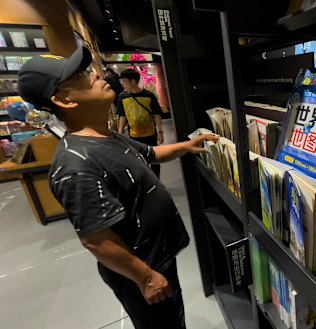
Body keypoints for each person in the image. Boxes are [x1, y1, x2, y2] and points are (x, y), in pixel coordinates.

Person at [17, 47, 218, 329]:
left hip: (157, 259)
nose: (97, 75)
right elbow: (95, 239)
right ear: (64, 99)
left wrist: (186, 146)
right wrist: (145, 278)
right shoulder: (74, 165)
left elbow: (151, 153)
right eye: (81, 76)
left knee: (174, 318)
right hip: (141, 271)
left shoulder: (107, 137)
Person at [117, 68, 164, 177]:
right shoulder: (123, 96)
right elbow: (122, 116)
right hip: (134, 136)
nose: (122, 84)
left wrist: (160, 132)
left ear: (133, 81)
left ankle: (157, 180)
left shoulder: (149, 95)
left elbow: (156, 114)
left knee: (154, 159)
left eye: (124, 81)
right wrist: (120, 134)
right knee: (138, 160)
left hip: (151, 134)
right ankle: (147, 181)